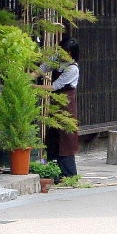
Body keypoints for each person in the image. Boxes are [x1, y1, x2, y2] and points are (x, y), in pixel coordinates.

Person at [46, 37, 80, 180]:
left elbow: (55, 86)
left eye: (65, 52)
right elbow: (44, 67)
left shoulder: (72, 69)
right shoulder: (57, 60)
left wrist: (33, 87)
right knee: (53, 135)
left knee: (66, 138)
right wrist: (30, 75)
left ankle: (69, 173)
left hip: (66, 105)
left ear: (72, 53)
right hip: (55, 103)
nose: (62, 54)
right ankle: (54, 171)